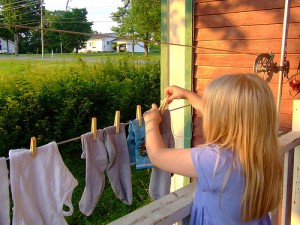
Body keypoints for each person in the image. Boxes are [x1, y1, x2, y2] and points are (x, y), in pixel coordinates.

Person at [143, 74, 282, 225]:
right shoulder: (263, 153)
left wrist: (150, 122)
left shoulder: (217, 160)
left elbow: (157, 155)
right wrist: (187, 95)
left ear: (220, 119)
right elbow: (228, 116)